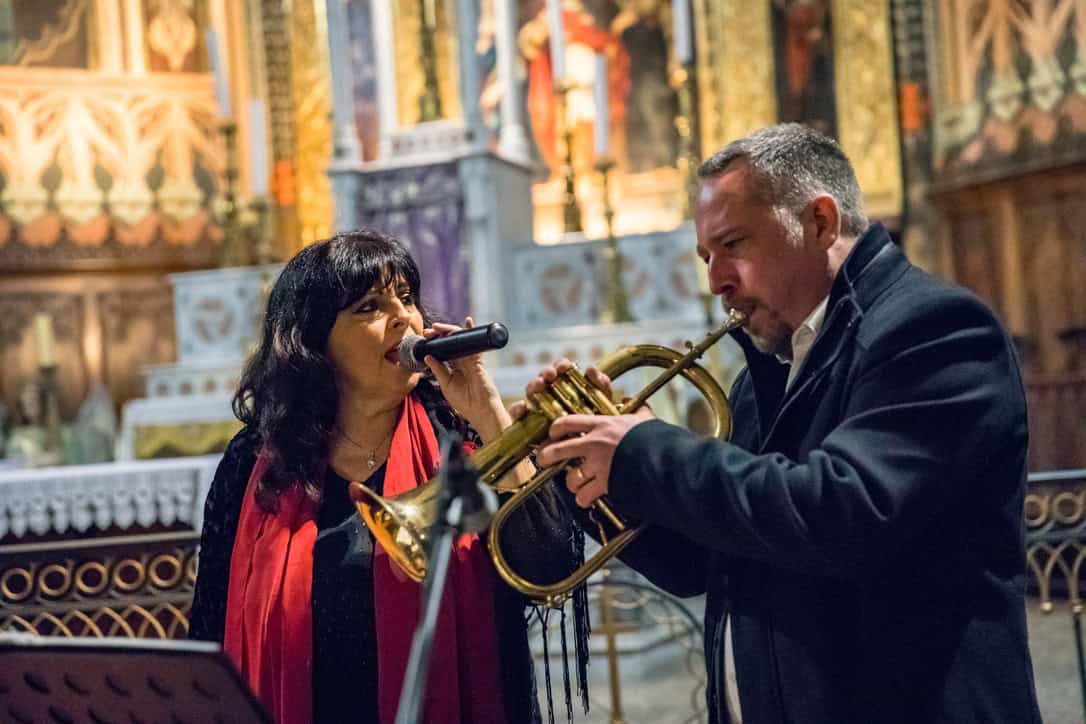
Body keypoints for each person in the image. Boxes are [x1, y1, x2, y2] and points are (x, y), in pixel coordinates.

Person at [517, 123, 1042, 723]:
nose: (716, 280)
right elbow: (699, 563)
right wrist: (593, 464)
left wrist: (646, 452)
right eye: (706, 257)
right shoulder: (767, 369)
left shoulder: (935, 329)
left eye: (733, 244)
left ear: (819, 222)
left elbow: (841, 513)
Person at [189, 230, 587, 724]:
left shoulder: (461, 441)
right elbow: (208, 627)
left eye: (406, 297)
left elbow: (549, 568)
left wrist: (487, 412)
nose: (405, 317)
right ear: (314, 342)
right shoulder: (255, 463)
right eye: (370, 307)